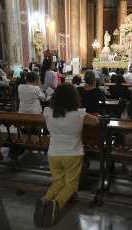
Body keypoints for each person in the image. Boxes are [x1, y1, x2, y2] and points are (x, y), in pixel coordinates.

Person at [33, 83, 100, 228]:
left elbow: (47, 119)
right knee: (70, 184)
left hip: (54, 153)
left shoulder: (47, 112)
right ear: (74, 98)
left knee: (57, 182)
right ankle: (56, 205)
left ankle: (45, 200)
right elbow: (96, 121)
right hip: (72, 154)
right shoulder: (79, 113)